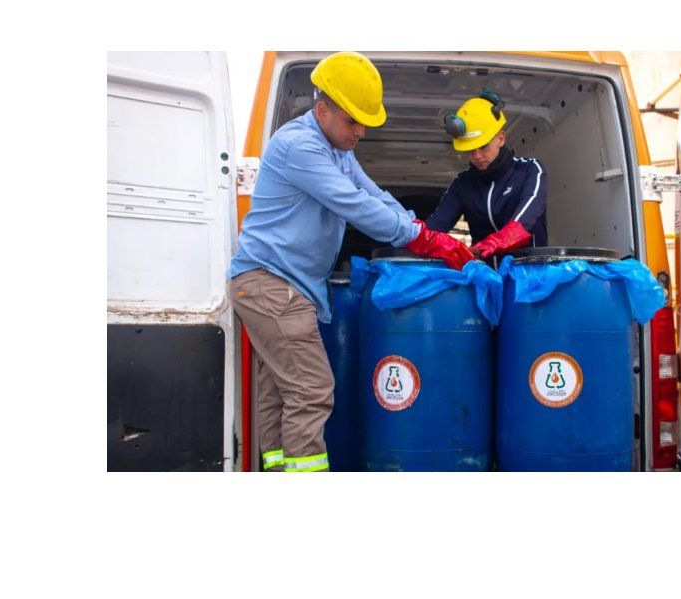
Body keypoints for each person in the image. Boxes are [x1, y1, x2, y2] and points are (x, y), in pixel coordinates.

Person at [229, 51, 474, 472]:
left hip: (280, 284)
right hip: (272, 284)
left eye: (364, 122)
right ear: (322, 110)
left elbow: (372, 194)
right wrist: (420, 239)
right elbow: (353, 204)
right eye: (352, 121)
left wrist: (417, 227)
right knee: (311, 390)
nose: (360, 131)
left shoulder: (337, 149)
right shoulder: (301, 146)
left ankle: (277, 469)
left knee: (280, 391)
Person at [425, 89, 547, 258]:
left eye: (483, 146)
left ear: (501, 138)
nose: (476, 156)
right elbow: (435, 226)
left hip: (529, 269)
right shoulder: (463, 184)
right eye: (470, 150)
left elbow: (527, 217)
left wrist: (498, 241)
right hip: (484, 271)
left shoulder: (530, 170)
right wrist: (412, 238)